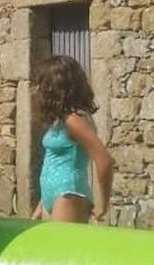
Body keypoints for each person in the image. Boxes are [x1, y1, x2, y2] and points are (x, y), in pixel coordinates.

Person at [30, 55, 114, 223]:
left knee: (60, 242)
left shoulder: (74, 120)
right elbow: (54, 162)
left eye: (42, 83)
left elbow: (104, 160)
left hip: (69, 194)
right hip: (54, 195)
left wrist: (103, 204)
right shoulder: (61, 120)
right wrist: (40, 207)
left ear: (54, 87)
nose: (37, 89)